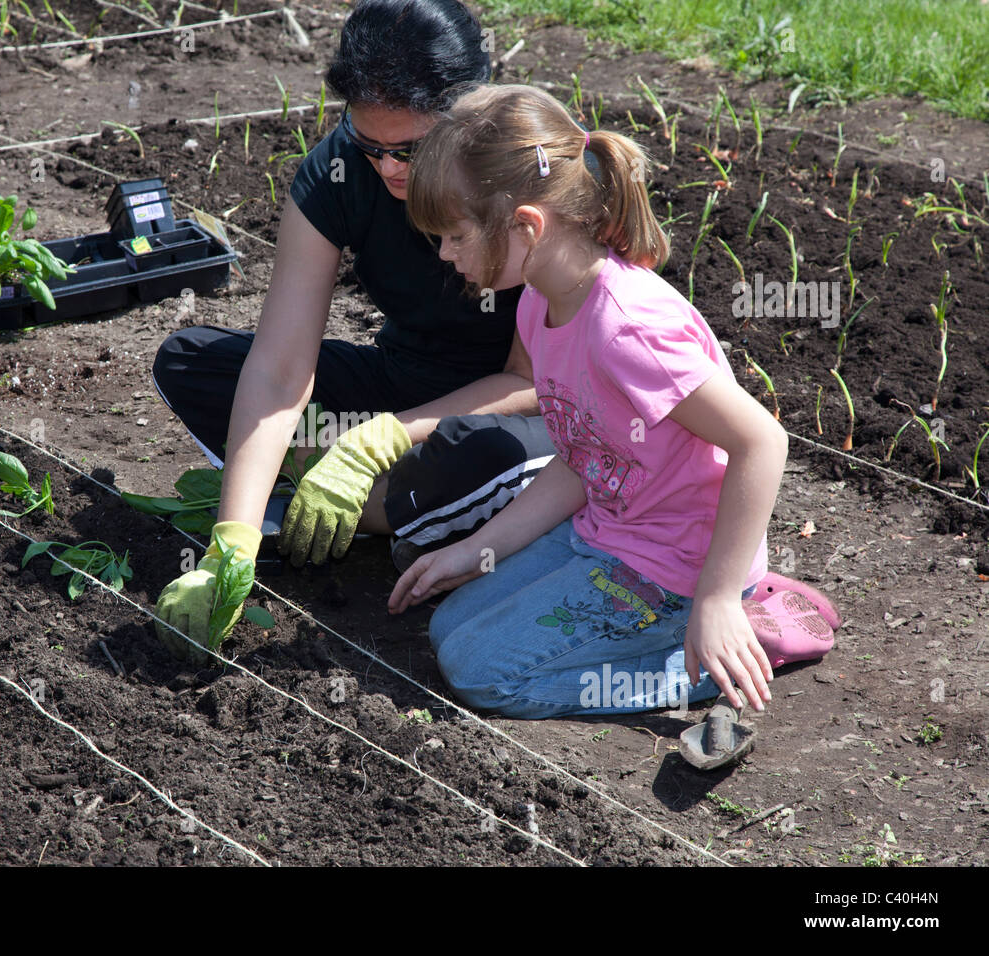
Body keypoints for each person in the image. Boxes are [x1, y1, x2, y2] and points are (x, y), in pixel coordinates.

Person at [388, 83, 815, 718]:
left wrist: (718, 598)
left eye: (454, 236)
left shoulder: (628, 332)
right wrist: (477, 549)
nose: (447, 255)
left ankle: (734, 645)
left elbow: (761, 441)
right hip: (609, 535)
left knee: (481, 674)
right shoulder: (541, 302)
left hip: (679, 571)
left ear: (529, 226)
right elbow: (582, 455)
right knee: (451, 628)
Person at [151, 0, 558, 662]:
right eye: (371, 146)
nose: (390, 169)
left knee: (485, 456)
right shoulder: (339, 172)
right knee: (192, 361)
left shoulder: (530, 178)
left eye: (412, 150)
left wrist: (380, 439)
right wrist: (232, 542)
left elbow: (529, 381)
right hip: (399, 382)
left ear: (472, 109)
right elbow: (283, 369)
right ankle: (379, 503)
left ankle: (359, 500)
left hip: (511, 412)